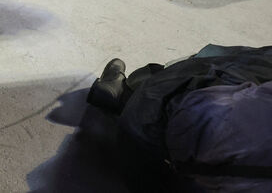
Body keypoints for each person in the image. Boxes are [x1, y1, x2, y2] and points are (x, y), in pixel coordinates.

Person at [86, 45, 272, 193]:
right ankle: (130, 93)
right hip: (161, 137)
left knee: (247, 64)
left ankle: (125, 93)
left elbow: (201, 117)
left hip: (152, 149)